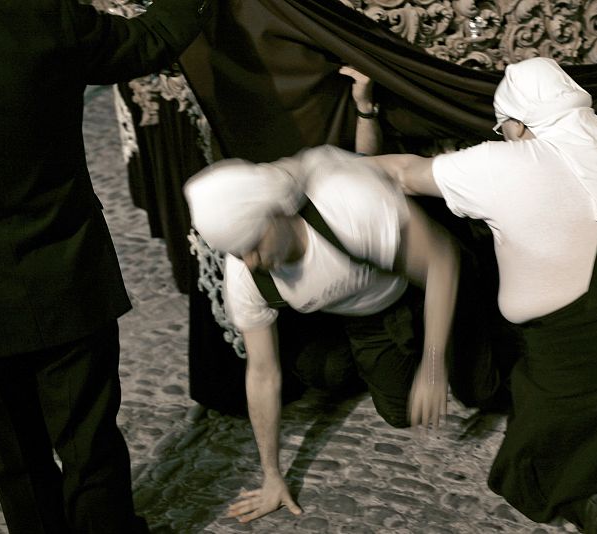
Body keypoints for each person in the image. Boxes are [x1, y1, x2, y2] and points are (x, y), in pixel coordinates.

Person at [367, 57, 597, 533]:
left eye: (505, 129)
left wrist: (323, 164)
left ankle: (589, 504)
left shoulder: (505, 163)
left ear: (516, 123)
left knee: (531, 463)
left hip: (588, 351)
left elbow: (402, 172)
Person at [0, 1, 215, 533]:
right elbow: (149, 40)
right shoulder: (40, 16)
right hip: (62, 270)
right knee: (88, 442)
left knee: (13, 459)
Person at [183, 144, 459, 523]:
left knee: (444, 397)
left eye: (254, 245)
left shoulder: (346, 202)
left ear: (276, 212)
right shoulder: (244, 275)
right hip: (347, 317)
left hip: (402, 298)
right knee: (348, 386)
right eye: (238, 253)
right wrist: (272, 475)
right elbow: (262, 372)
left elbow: (443, 261)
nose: (251, 262)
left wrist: (434, 365)